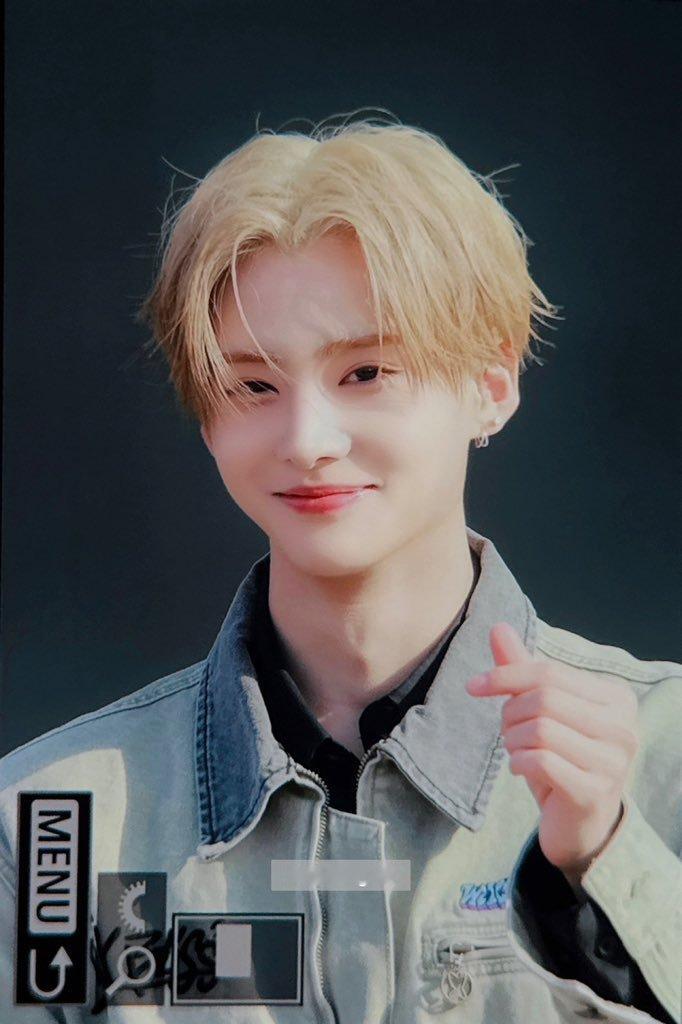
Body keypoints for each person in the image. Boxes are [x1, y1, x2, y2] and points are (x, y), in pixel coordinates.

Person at [0, 117, 679, 1024]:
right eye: (253, 385)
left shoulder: (663, 756)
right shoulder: (61, 817)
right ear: (205, 416)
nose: (308, 440)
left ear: (492, 383)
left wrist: (601, 866)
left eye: (367, 372)